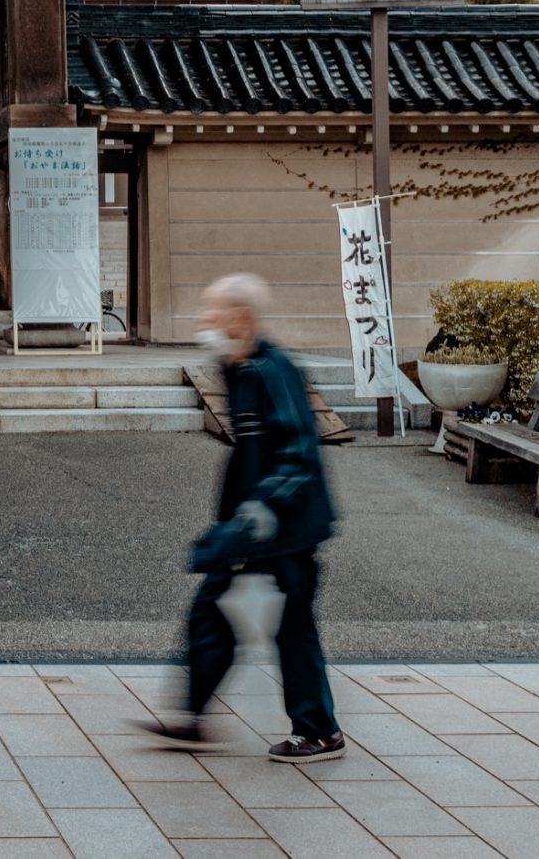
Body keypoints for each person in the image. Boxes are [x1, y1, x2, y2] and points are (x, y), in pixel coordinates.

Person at [134, 272, 344, 761]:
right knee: (210, 613)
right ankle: (191, 716)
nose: (205, 320)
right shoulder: (240, 367)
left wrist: (261, 508)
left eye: (215, 311)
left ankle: (320, 731)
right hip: (250, 527)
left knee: (292, 627)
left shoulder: (274, 370)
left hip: (284, 527)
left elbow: (299, 452)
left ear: (240, 316)